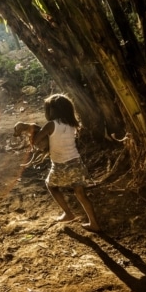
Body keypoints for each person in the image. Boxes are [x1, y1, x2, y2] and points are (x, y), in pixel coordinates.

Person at [39, 93, 101, 231]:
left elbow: (37, 140)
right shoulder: (72, 124)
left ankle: (68, 213)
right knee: (80, 194)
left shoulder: (50, 125)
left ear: (52, 110)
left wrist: (32, 130)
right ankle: (94, 224)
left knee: (51, 186)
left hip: (60, 165)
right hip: (76, 163)